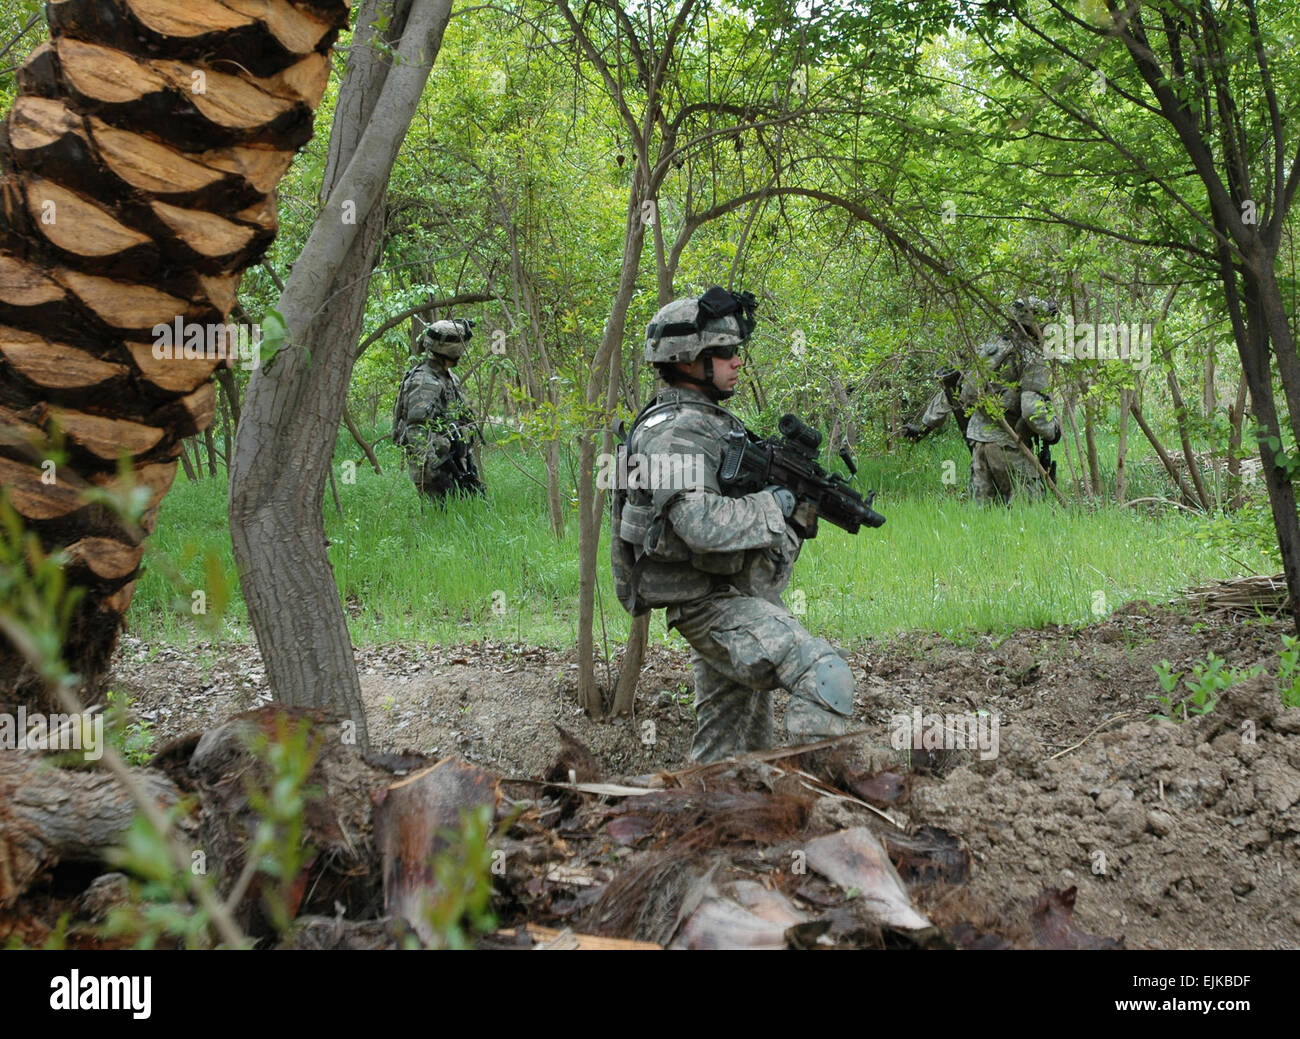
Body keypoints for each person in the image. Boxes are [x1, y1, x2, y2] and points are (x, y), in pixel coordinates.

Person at [610, 287, 856, 763]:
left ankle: (720, 814)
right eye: (723, 352)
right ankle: (817, 796)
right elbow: (700, 524)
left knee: (733, 750)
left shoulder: (705, 421)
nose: (736, 361)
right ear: (686, 360)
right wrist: (776, 504)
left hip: (730, 593)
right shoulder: (675, 434)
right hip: (712, 606)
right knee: (825, 674)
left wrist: (798, 511)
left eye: (736, 351)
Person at [959, 297, 1062, 504]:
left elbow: (965, 391)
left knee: (984, 515)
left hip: (979, 442)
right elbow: (1031, 409)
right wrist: (1052, 431)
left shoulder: (993, 346)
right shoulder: (1030, 354)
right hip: (1010, 443)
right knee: (1029, 509)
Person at [392, 317, 485, 501]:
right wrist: (433, 470)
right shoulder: (424, 381)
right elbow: (416, 431)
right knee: (440, 518)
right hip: (435, 468)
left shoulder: (448, 377)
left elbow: (459, 417)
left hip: (455, 461)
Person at [902, 365, 971, 447]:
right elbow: (951, 393)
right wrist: (924, 428)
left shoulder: (982, 366)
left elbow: (969, 390)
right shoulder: (968, 365)